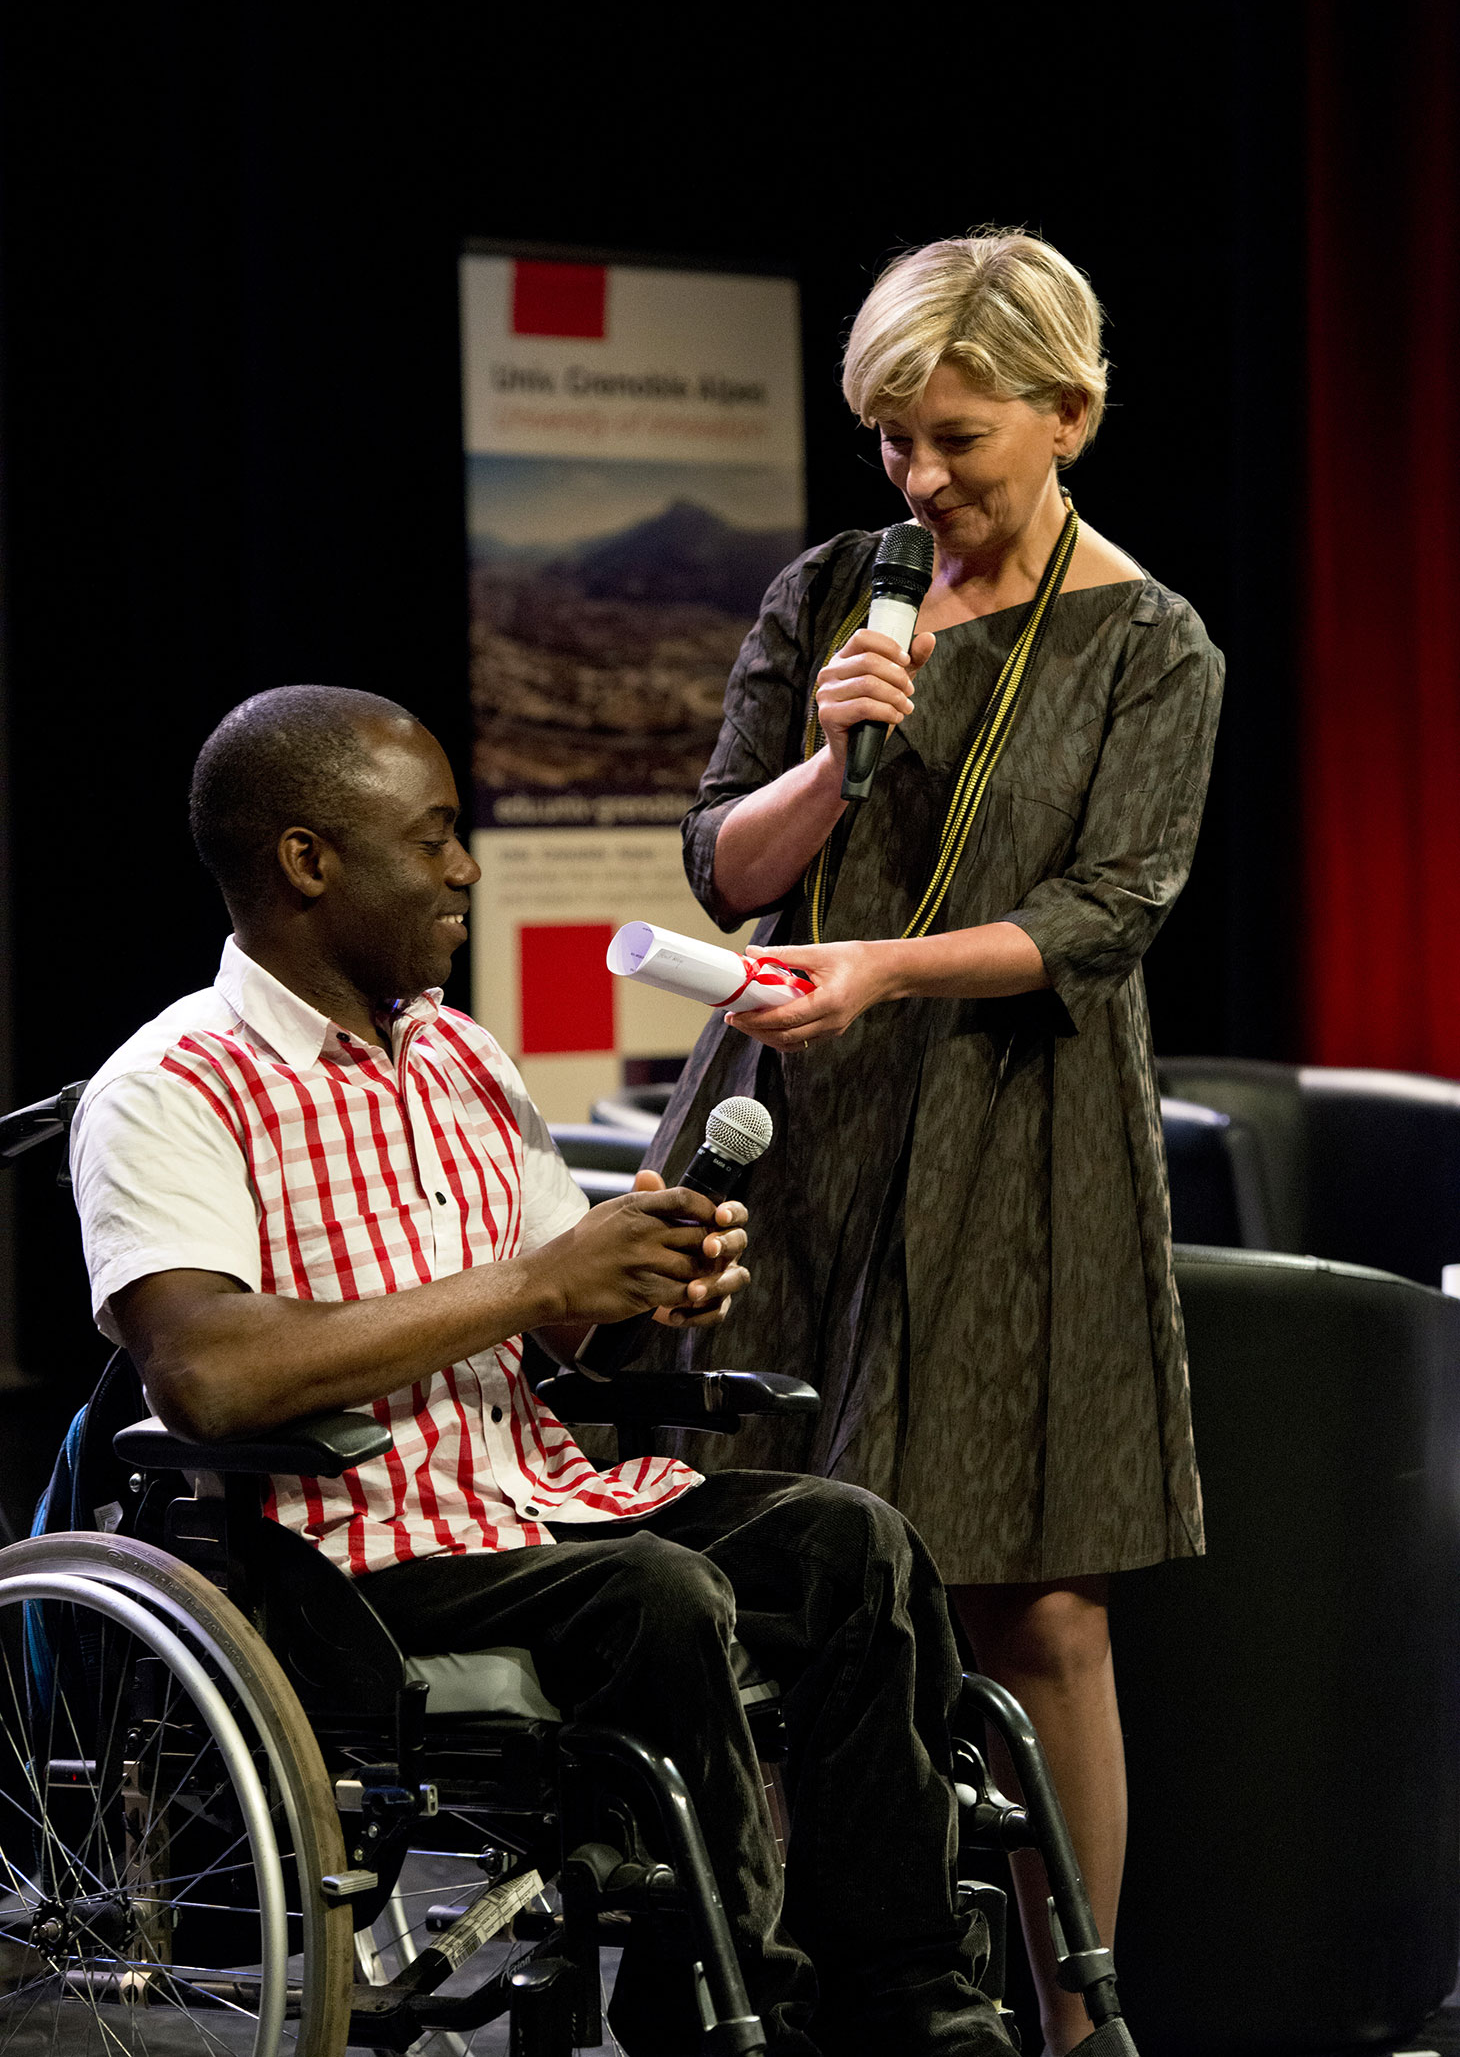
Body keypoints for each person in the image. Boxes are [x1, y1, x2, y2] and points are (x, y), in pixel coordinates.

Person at [68, 683, 1012, 2057]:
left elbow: (556, 1322)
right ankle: (721, 2015)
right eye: (435, 836)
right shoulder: (172, 1085)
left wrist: (634, 1275)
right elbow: (201, 1377)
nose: (465, 868)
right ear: (308, 860)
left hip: (531, 1497)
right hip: (339, 1553)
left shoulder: (457, 1054)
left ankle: (915, 2005)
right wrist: (534, 1283)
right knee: (658, 1599)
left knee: (848, 1545)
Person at [650, 231, 1224, 2056]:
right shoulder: (832, 591)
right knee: (780, 1570)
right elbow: (723, 862)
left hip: (1016, 1134)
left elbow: (1107, 913)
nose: (920, 479)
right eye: (894, 440)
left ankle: (1071, 2024)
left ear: (1071, 414)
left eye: (957, 439)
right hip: (795, 1123)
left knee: (1034, 1599)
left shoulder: (1150, 640)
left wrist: (884, 967)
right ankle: (809, 1993)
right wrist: (828, 760)